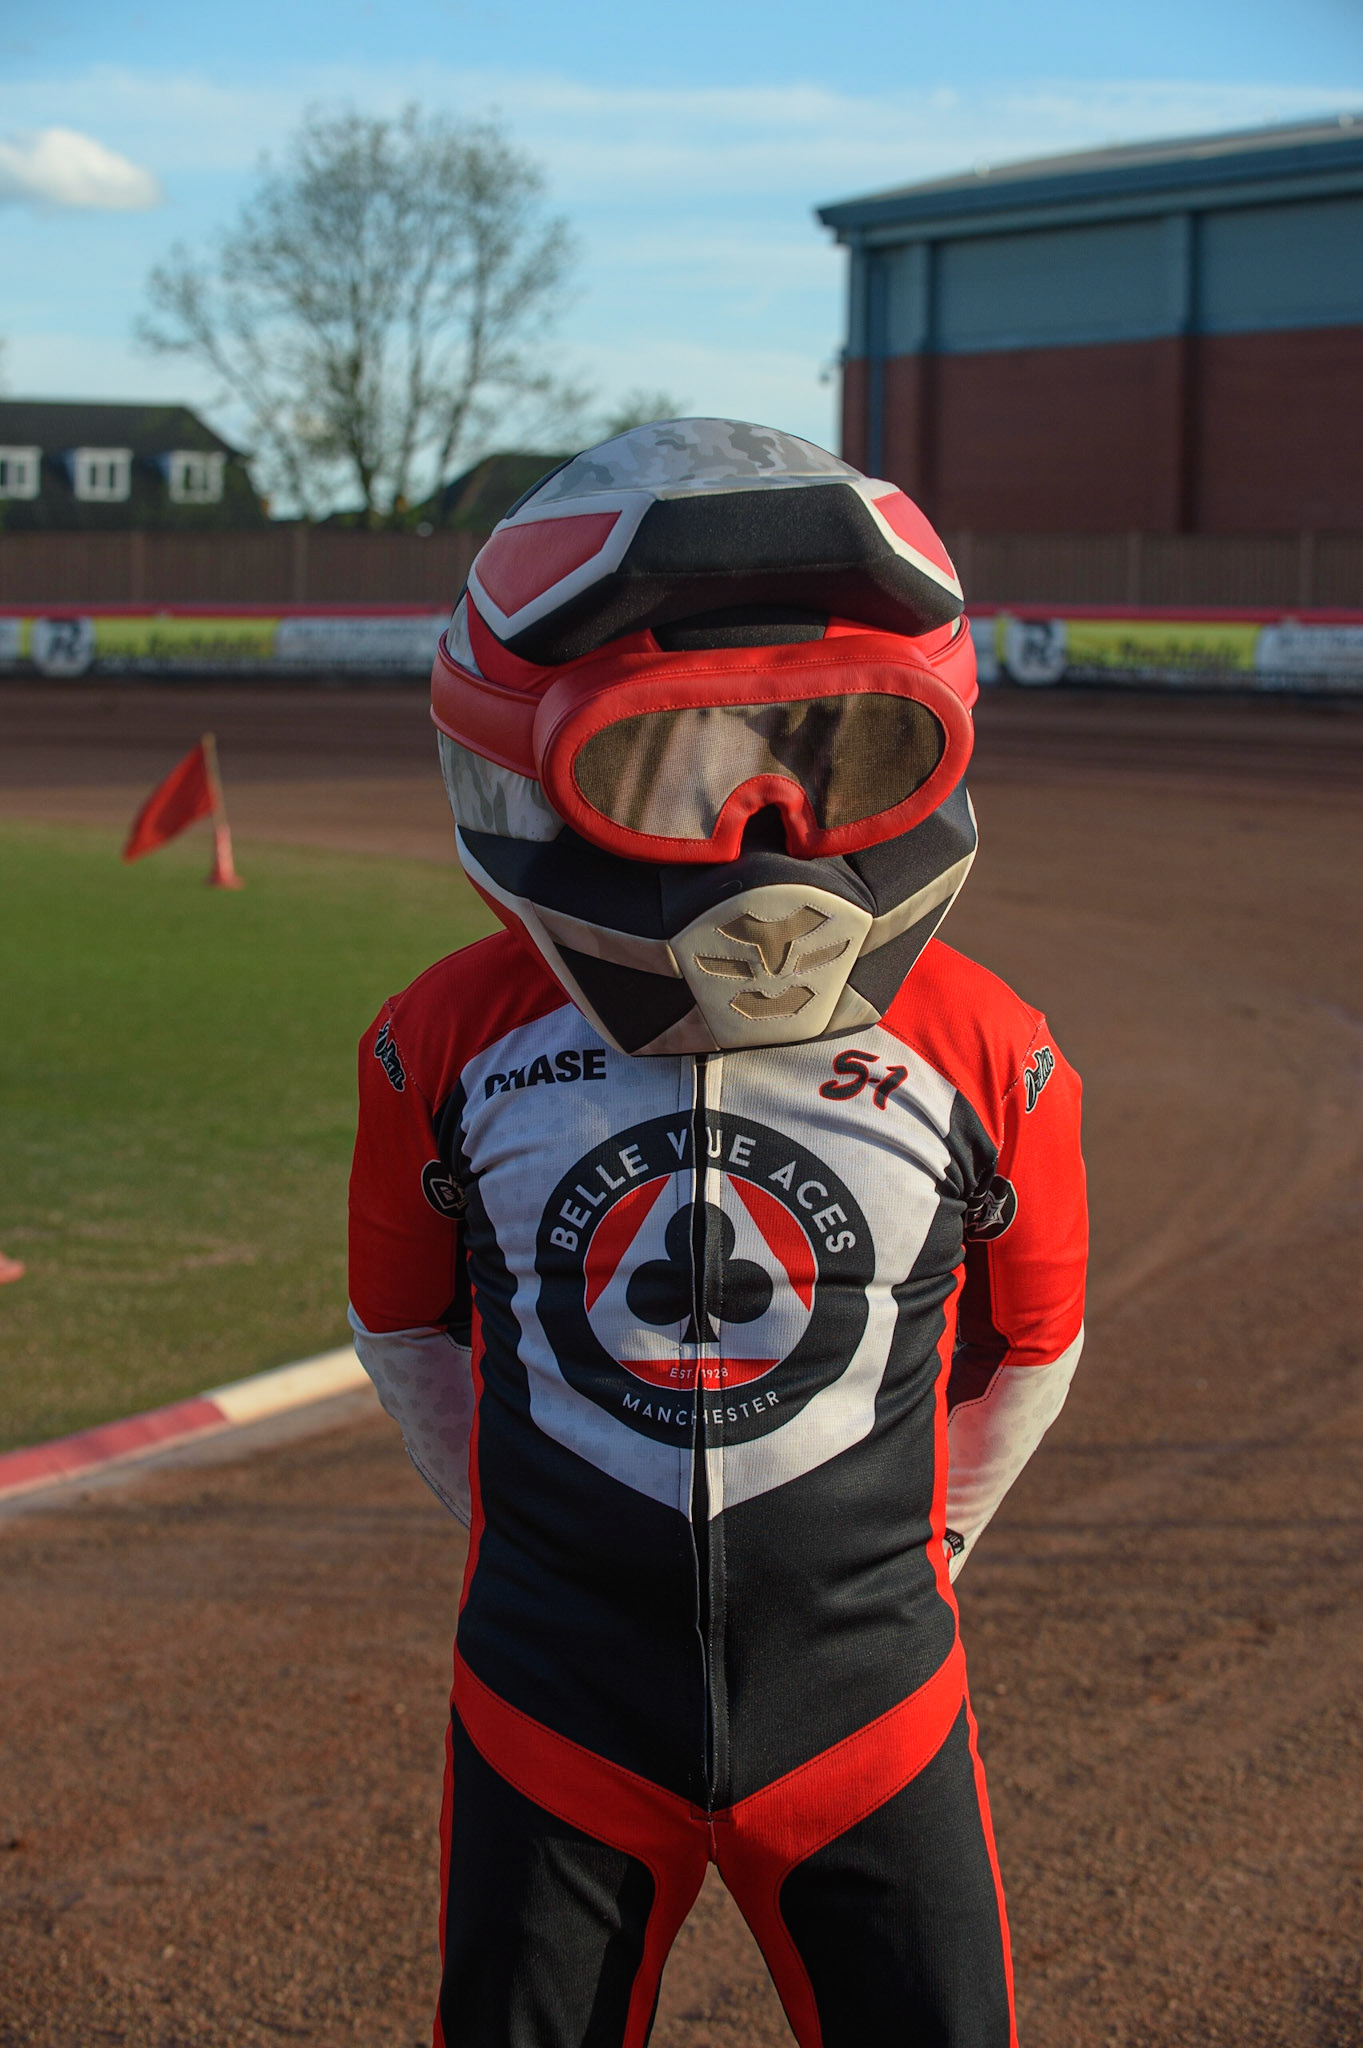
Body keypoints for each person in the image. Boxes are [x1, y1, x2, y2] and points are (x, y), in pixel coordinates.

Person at [348, 420, 1087, 2048]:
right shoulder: (441, 1038)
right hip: (563, 1704)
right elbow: (403, 1327)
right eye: (671, 763)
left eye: (833, 750)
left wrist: (917, 1556)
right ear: (529, 759)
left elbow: (1038, 1340)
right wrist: (541, 1539)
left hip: (861, 1703)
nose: (763, 828)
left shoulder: (984, 1042)